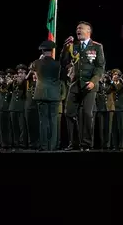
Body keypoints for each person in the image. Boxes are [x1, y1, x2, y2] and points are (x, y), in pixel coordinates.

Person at [61, 21, 106, 152]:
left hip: (89, 85)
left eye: (80, 28)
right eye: (76, 28)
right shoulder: (73, 46)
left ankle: (86, 144)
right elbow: (64, 62)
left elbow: (100, 67)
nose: (77, 30)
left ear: (88, 31)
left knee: (87, 113)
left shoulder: (97, 47)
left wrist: (94, 81)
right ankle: (73, 142)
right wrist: (64, 47)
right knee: (68, 113)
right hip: (75, 84)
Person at [30, 40, 63, 151]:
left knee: (43, 121)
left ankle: (44, 146)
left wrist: (40, 59)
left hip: (41, 93)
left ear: (43, 51)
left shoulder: (36, 62)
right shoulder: (58, 64)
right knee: (53, 120)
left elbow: (32, 70)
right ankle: (52, 146)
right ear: (52, 51)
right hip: (54, 94)